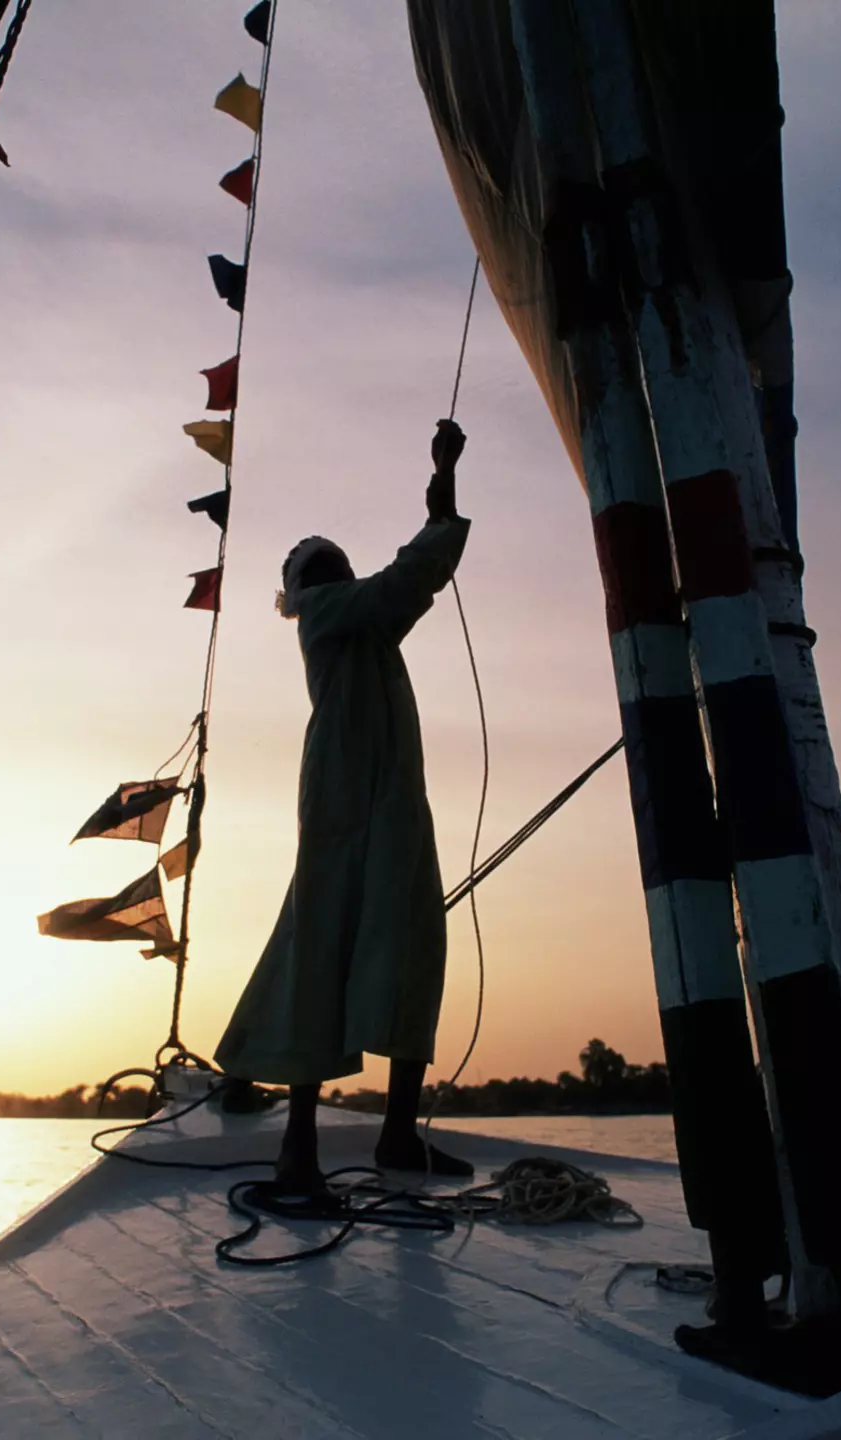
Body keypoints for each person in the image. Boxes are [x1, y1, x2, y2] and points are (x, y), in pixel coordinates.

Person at [215, 420, 474, 1191]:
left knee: (410, 947)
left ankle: (398, 1135)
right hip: (337, 802)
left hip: (391, 804)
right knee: (319, 952)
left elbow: (414, 579)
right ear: (300, 591)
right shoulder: (330, 617)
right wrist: (439, 492)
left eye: (338, 561)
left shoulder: (367, 621)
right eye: (322, 565)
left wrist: (442, 489)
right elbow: (407, 577)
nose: (335, 565)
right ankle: (298, 1145)